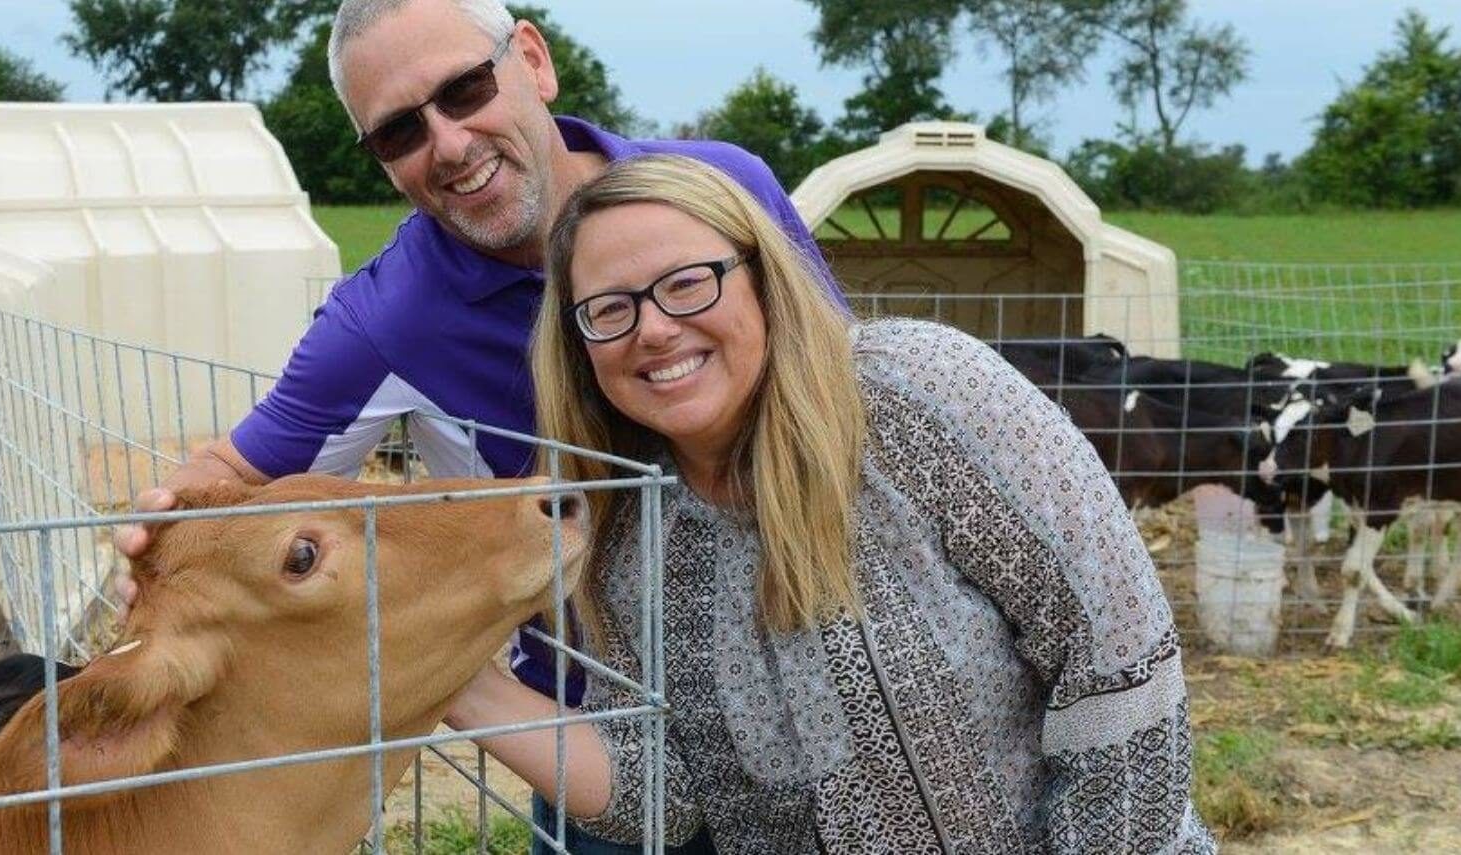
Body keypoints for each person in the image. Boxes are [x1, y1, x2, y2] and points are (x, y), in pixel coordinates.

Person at [116, 1, 831, 851]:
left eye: (464, 89)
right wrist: (168, 538)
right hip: (604, 732)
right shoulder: (387, 319)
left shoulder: (728, 189)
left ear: (532, 59)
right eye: (398, 134)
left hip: (809, 681)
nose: (448, 145)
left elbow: (835, 385)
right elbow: (234, 473)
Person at [442, 154, 1215, 853]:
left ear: (763, 279)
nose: (653, 328)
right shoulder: (627, 531)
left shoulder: (918, 394)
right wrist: (454, 681)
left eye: (687, 283)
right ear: (578, 346)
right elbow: (659, 798)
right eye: (609, 309)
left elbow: (1116, 659)